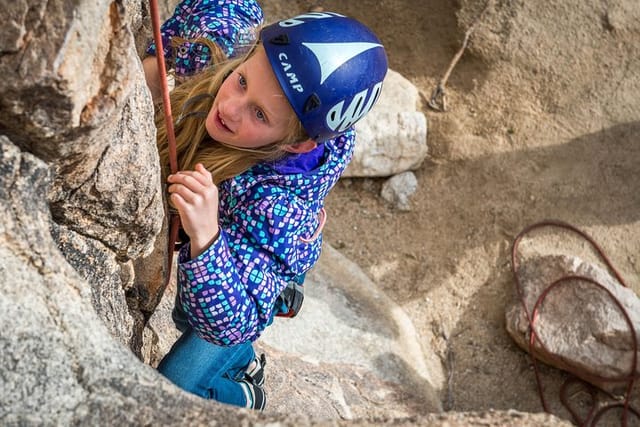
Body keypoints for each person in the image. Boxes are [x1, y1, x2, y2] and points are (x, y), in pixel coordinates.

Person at [146, 1, 388, 411]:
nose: (229, 107)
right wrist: (156, 58)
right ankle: (243, 362)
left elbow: (231, 320)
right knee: (189, 311)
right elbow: (223, 6)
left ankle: (243, 394)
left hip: (251, 275)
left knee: (174, 385)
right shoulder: (230, 47)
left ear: (296, 144)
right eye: (240, 81)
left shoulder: (278, 209)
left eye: (259, 113)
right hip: (237, 256)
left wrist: (207, 240)